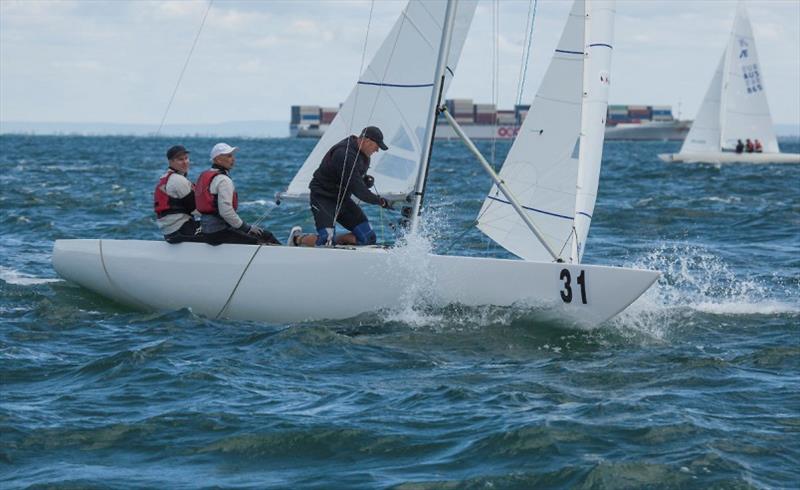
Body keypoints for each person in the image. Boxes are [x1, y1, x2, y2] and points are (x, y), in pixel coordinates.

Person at [307, 126, 393, 246]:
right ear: (367, 141)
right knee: (326, 240)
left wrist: (364, 181)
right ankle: (297, 239)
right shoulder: (344, 154)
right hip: (323, 197)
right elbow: (359, 191)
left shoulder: (363, 154)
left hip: (342, 199)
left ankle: (337, 242)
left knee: (368, 238)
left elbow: (351, 178)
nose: (377, 150)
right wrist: (381, 202)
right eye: (376, 146)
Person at [195, 143, 279, 245]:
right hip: (219, 233)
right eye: (229, 156)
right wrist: (247, 228)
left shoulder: (205, 176)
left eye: (232, 156)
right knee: (266, 237)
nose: (233, 159)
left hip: (207, 231)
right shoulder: (223, 180)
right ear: (218, 159)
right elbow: (226, 212)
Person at [154, 145, 203, 243]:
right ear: (171, 162)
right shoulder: (178, 180)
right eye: (180, 160)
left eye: (186, 158)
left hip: (169, 233)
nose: (185, 162)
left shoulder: (165, 178)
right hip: (182, 230)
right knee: (218, 230)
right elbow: (196, 210)